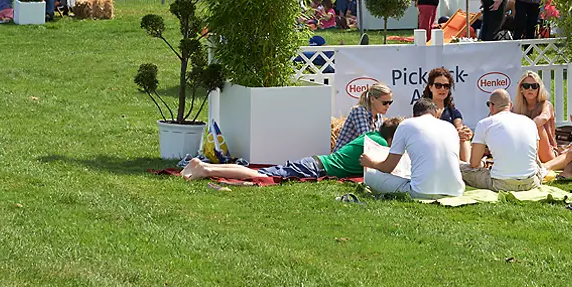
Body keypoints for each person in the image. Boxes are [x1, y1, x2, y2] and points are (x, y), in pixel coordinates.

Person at [181, 117, 403, 182]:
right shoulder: (381, 145)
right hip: (315, 168)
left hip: (316, 162)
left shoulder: (372, 136)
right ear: (393, 137)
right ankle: (206, 169)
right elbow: (385, 168)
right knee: (258, 175)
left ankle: (206, 167)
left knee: (263, 172)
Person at [360, 98, 467, 200]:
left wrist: (371, 163)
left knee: (370, 176)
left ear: (414, 115)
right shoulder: (450, 127)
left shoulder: (406, 125)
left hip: (421, 192)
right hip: (456, 191)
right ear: (436, 114)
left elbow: (388, 167)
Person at [460, 89, 541, 192]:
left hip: (501, 184)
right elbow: (534, 157)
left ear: (491, 106)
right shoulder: (529, 122)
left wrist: (483, 163)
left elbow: (474, 164)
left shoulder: (484, 124)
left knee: (460, 167)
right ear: (510, 105)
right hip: (531, 182)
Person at [513, 71, 558, 162]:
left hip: (548, 152)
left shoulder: (546, 104)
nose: (530, 89)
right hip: (525, 149)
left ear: (539, 89)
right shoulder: (517, 108)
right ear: (521, 89)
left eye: (534, 86)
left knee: (538, 126)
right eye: (526, 86)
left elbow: (543, 118)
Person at [334, 83, 393, 150]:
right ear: (372, 99)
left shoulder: (379, 116)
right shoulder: (359, 111)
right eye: (384, 103)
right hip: (342, 157)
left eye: (390, 102)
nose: (388, 106)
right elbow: (368, 141)